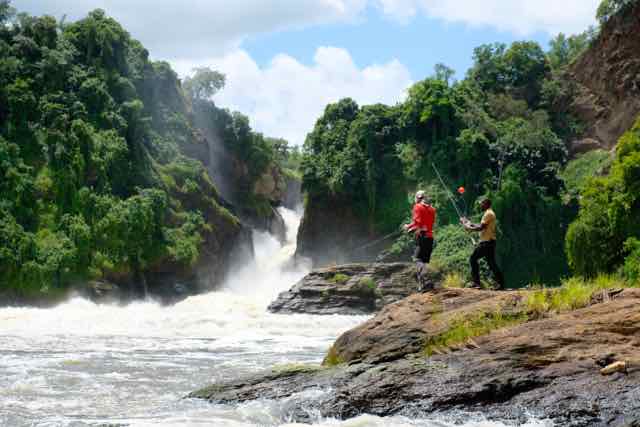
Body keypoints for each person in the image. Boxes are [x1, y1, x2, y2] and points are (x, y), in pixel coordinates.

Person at [460, 198, 505, 290]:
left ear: (486, 204)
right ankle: (501, 284)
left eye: (482, 204)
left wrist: (468, 227)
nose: (481, 205)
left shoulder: (488, 213)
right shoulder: (489, 213)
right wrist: (469, 223)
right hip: (490, 242)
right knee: (492, 263)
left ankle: (476, 283)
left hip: (486, 242)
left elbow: (481, 227)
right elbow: (481, 225)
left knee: (473, 259)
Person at [404, 190, 436, 291]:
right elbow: (425, 224)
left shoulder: (417, 207)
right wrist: (410, 226)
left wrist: (408, 229)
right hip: (430, 237)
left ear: (418, 197)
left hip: (422, 237)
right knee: (424, 261)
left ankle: (425, 280)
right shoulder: (432, 209)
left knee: (417, 260)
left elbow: (418, 223)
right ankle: (422, 286)